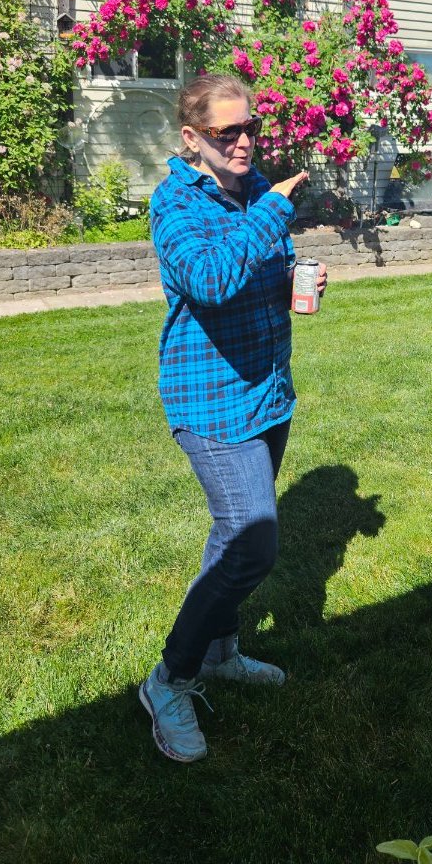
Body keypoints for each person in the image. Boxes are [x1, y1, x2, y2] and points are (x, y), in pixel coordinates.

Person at [141, 74, 326, 763]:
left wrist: (297, 281)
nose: (245, 141)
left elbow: (256, 274)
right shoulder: (174, 202)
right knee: (253, 544)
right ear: (193, 139)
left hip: (267, 392)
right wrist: (274, 211)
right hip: (210, 400)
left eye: (251, 128)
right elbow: (211, 279)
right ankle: (169, 678)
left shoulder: (253, 192)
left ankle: (219, 651)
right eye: (228, 132)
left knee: (230, 537)